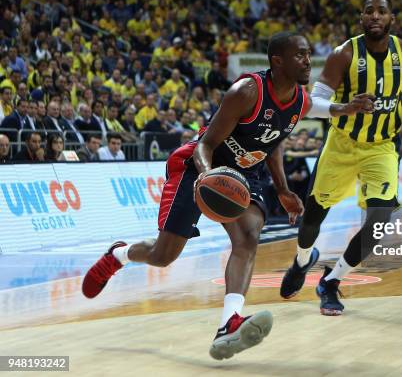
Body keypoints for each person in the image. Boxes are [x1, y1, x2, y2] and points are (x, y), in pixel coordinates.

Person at [81, 32, 373, 360]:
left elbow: (273, 140)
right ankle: (118, 256)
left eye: (308, 55)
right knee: (163, 256)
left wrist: (282, 188)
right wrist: (206, 177)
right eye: (300, 55)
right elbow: (205, 145)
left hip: (244, 174)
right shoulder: (246, 91)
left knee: (249, 236)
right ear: (278, 61)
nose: (308, 61)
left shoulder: (299, 100)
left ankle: (229, 324)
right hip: (198, 166)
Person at [280, 0, 402, 316]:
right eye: (369, 10)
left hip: (382, 147)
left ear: (391, 19)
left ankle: (331, 282)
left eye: (381, 11)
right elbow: (311, 104)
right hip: (342, 144)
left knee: (380, 218)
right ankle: (302, 261)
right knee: (313, 216)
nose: (375, 15)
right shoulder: (343, 54)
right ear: (361, 18)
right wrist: (346, 107)